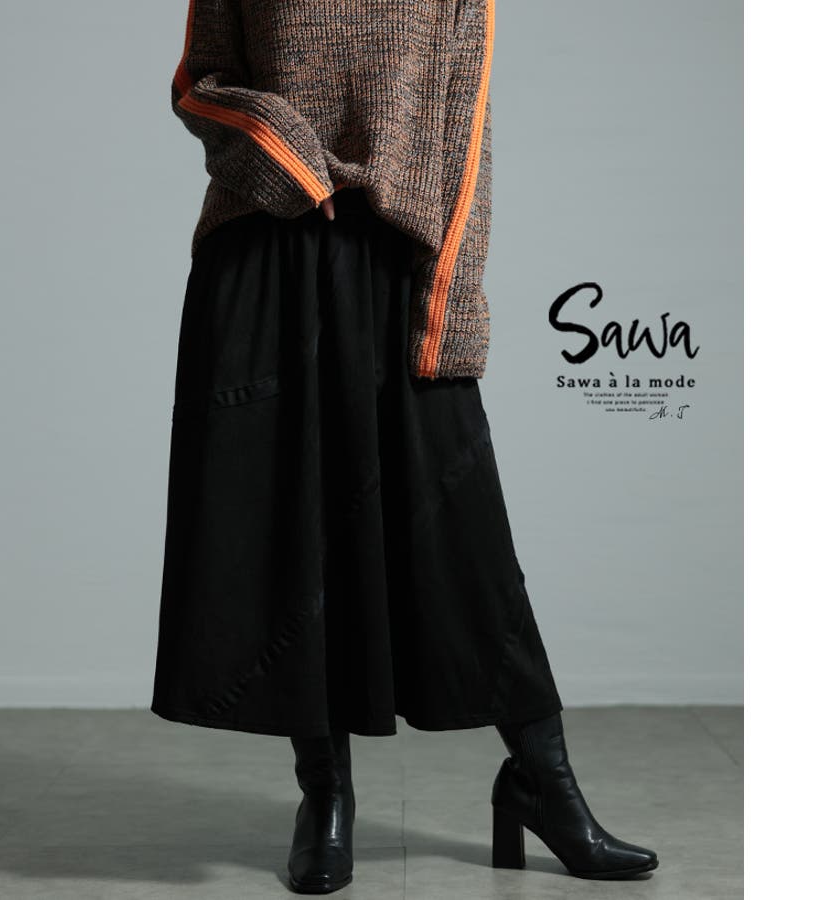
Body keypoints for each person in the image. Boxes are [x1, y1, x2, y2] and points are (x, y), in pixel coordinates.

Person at [150, 0, 659, 892]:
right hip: (266, 250)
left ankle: (545, 783)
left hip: (402, 265)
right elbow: (203, 82)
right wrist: (295, 164)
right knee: (295, 531)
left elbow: (464, 142)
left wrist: (453, 305)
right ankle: (325, 796)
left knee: (464, 541)